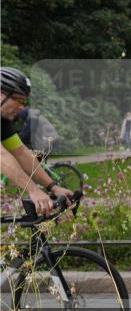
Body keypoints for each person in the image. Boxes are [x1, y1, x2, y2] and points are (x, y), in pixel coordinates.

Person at [1, 67, 76, 216]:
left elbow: (21, 152)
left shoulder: (3, 121)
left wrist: (53, 187)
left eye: (24, 101)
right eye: (18, 99)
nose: (22, 106)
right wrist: (33, 191)